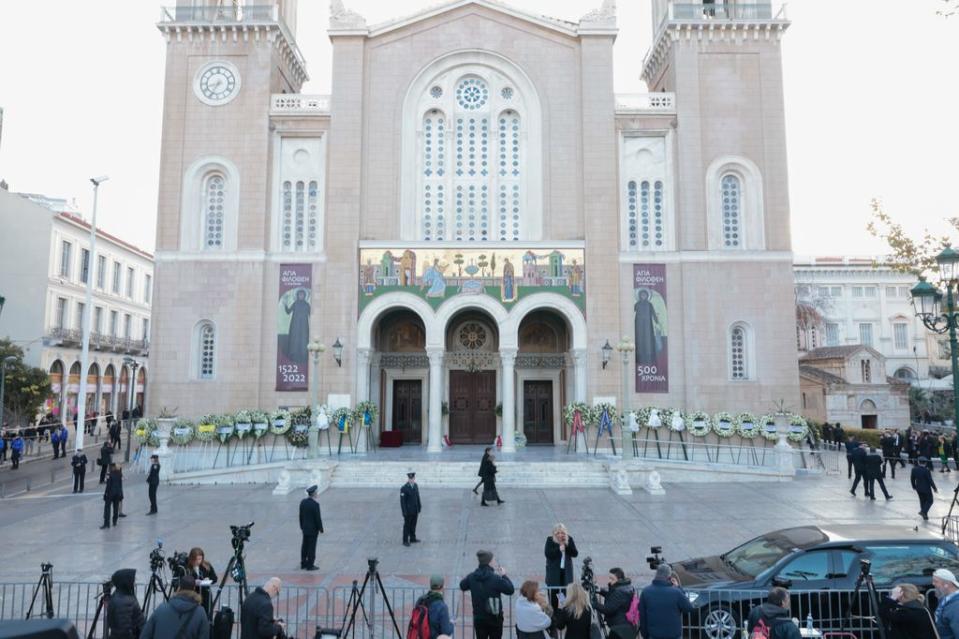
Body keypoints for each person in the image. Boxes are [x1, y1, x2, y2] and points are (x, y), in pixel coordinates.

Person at [460, 550, 515, 639]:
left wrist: (471, 576)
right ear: (489, 562)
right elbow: (510, 590)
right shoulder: (496, 578)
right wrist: (504, 575)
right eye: (493, 560)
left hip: (479, 618)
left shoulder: (472, 577)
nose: (494, 562)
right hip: (495, 618)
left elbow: (462, 585)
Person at [140, 573, 209, 639]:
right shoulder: (200, 612)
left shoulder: (161, 608)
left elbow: (145, 635)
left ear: (179, 587)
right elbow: (204, 636)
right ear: (194, 588)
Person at [638, 564, 692, 639]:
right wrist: (679, 588)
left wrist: (645, 635)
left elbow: (642, 617)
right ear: (669, 577)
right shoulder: (676, 592)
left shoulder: (646, 592)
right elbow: (688, 607)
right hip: (673, 635)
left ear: (656, 575)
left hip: (654, 635)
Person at [545, 523, 579, 611]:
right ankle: (555, 615)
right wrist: (558, 549)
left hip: (566, 573)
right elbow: (548, 554)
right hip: (554, 574)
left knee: (565, 596)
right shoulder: (550, 540)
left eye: (562, 533)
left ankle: (565, 614)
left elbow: (575, 553)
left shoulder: (569, 539)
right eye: (558, 533)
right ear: (554, 533)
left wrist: (566, 545)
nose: (560, 535)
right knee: (554, 596)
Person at [595, 568, 636, 639]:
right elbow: (614, 598)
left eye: (612, 579)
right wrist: (601, 591)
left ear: (619, 579)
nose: (610, 581)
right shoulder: (625, 587)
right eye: (609, 578)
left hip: (620, 629)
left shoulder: (619, 591)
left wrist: (594, 604)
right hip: (625, 626)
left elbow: (608, 609)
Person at [106, 568, 145, 639]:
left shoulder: (120, 596)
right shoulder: (124, 601)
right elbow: (124, 631)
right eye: (132, 579)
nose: (134, 582)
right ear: (125, 582)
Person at [185, 547, 218, 617]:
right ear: (192, 559)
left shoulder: (206, 565)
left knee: (207, 615)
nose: (198, 561)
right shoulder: (187, 567)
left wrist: (208, 579)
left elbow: (214, 578)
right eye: (196, 559)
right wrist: (193, 581)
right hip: (193, 595)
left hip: (206, 595)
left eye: (200, 559)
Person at [299, 484, 324, 570]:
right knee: (311, 548)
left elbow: (301, 516)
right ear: (314, 494)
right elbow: (318, 518)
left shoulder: (303, 502)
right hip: (313, 530)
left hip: (305, 528)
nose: (317, 494)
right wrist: (321, 529)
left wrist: (302, 526)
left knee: (304, 546)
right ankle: (310, 565)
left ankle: (303, 563)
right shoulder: (315, 505)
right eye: (316, 492)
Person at [911, 456, 938, 521]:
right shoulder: (926, 470)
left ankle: (925, 516)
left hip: (918, 488)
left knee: (922, 501)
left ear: (918, 462)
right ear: (925, 463)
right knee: (930, 501)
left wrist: (914, 486)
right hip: (926, 489)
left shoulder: (914, 469)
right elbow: (930, 480)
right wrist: (934, 488)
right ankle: (923, 512)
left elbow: (912, 479)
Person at [935, 568, 959, 639]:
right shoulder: (945, 599)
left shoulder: (956, 605)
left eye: (936, 581)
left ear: (947, 584)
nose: (933, 584)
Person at [401, 471, 422, 547]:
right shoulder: (404, 488)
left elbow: (417, 497)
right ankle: (405, 540)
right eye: (410, 478)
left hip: (415, 510)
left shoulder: (415, 486)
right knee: (407, 526)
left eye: (412, 478)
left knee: (413, 525)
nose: (411, 480)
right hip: (408, 511)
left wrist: (419, 506)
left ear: (414, 478)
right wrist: (404, 512)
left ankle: (412, 538)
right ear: (408, 479)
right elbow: (402, 502)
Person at [101, 464, 123, 529]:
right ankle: (114, 521)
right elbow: (120, 484)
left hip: (110, 493)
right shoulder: (119, 474)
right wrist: (121, 493)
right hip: (117, 493)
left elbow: (108, 485)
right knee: (115, 507)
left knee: (107, 508)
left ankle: (107, 523)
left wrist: (105, 493)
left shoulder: (109, 474)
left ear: (110, 468)